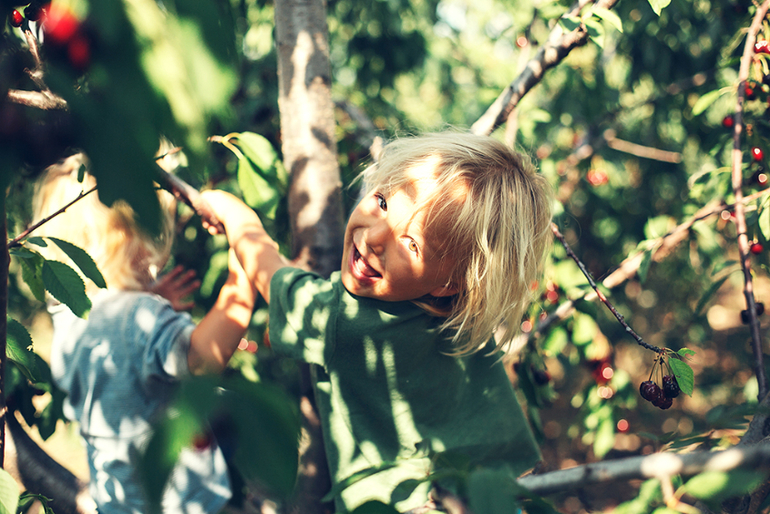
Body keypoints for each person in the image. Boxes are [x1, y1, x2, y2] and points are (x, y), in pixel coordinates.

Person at [201, 131, 553, 512]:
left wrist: (236, 216)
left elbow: (272, 278)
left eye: (412, 244)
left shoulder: (345, 323)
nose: (374, 237)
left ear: (449, 284)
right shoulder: (465, 320)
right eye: (383, 201)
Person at [32, 151, 258, 514]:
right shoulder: (139, 316)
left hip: (117, 501)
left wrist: (146, 299)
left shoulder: (68, 314)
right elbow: (200, 359)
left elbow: (114, 355)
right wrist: (245, 273)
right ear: (133, 238)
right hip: (181, 504)